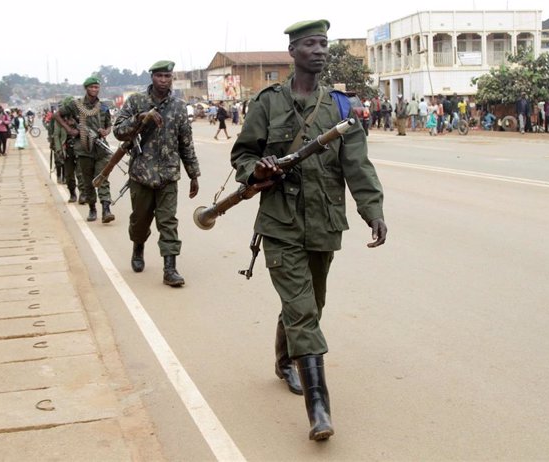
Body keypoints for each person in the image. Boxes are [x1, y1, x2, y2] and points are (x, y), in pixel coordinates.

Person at [230, 20, 387, 442]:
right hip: (280, 223)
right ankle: (319, 409)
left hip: (324, 222)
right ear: (293, 51)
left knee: (309, 303)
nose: (320, 50)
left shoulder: (339, 107)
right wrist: (255, 169)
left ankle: (284, 360)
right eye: (311, 44)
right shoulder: (267, 103)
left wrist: (372, 209)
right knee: (302, 310)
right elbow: (243, 154)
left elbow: (357, 164)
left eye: (324, 44)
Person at [113, 60, 201, 287]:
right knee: (140, 221)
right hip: (141, 175)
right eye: (159, 76)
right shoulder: (136, 101)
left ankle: (170, 269)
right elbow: (118, 132)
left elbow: (186, 143)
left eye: (167, 76)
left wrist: (193, 174)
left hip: (168, 176)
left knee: (168, 221)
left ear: (172, 78)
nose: (163, 80)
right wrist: (140, 118)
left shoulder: (179, 107)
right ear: (152, 77)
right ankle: (138, 246)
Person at [54, 77, 114, 223]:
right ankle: (92, 208)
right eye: (92, 87)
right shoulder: (76, 105)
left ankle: (106, 209)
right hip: (84, 148)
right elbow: (57, 115)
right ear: (86, 88)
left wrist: (105, 131)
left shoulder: (103, 107)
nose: (95, 90)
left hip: (100, 148)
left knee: (102, 178)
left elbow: (109, 125)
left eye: (97, 87)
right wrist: (70, 130)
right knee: (88, 180)